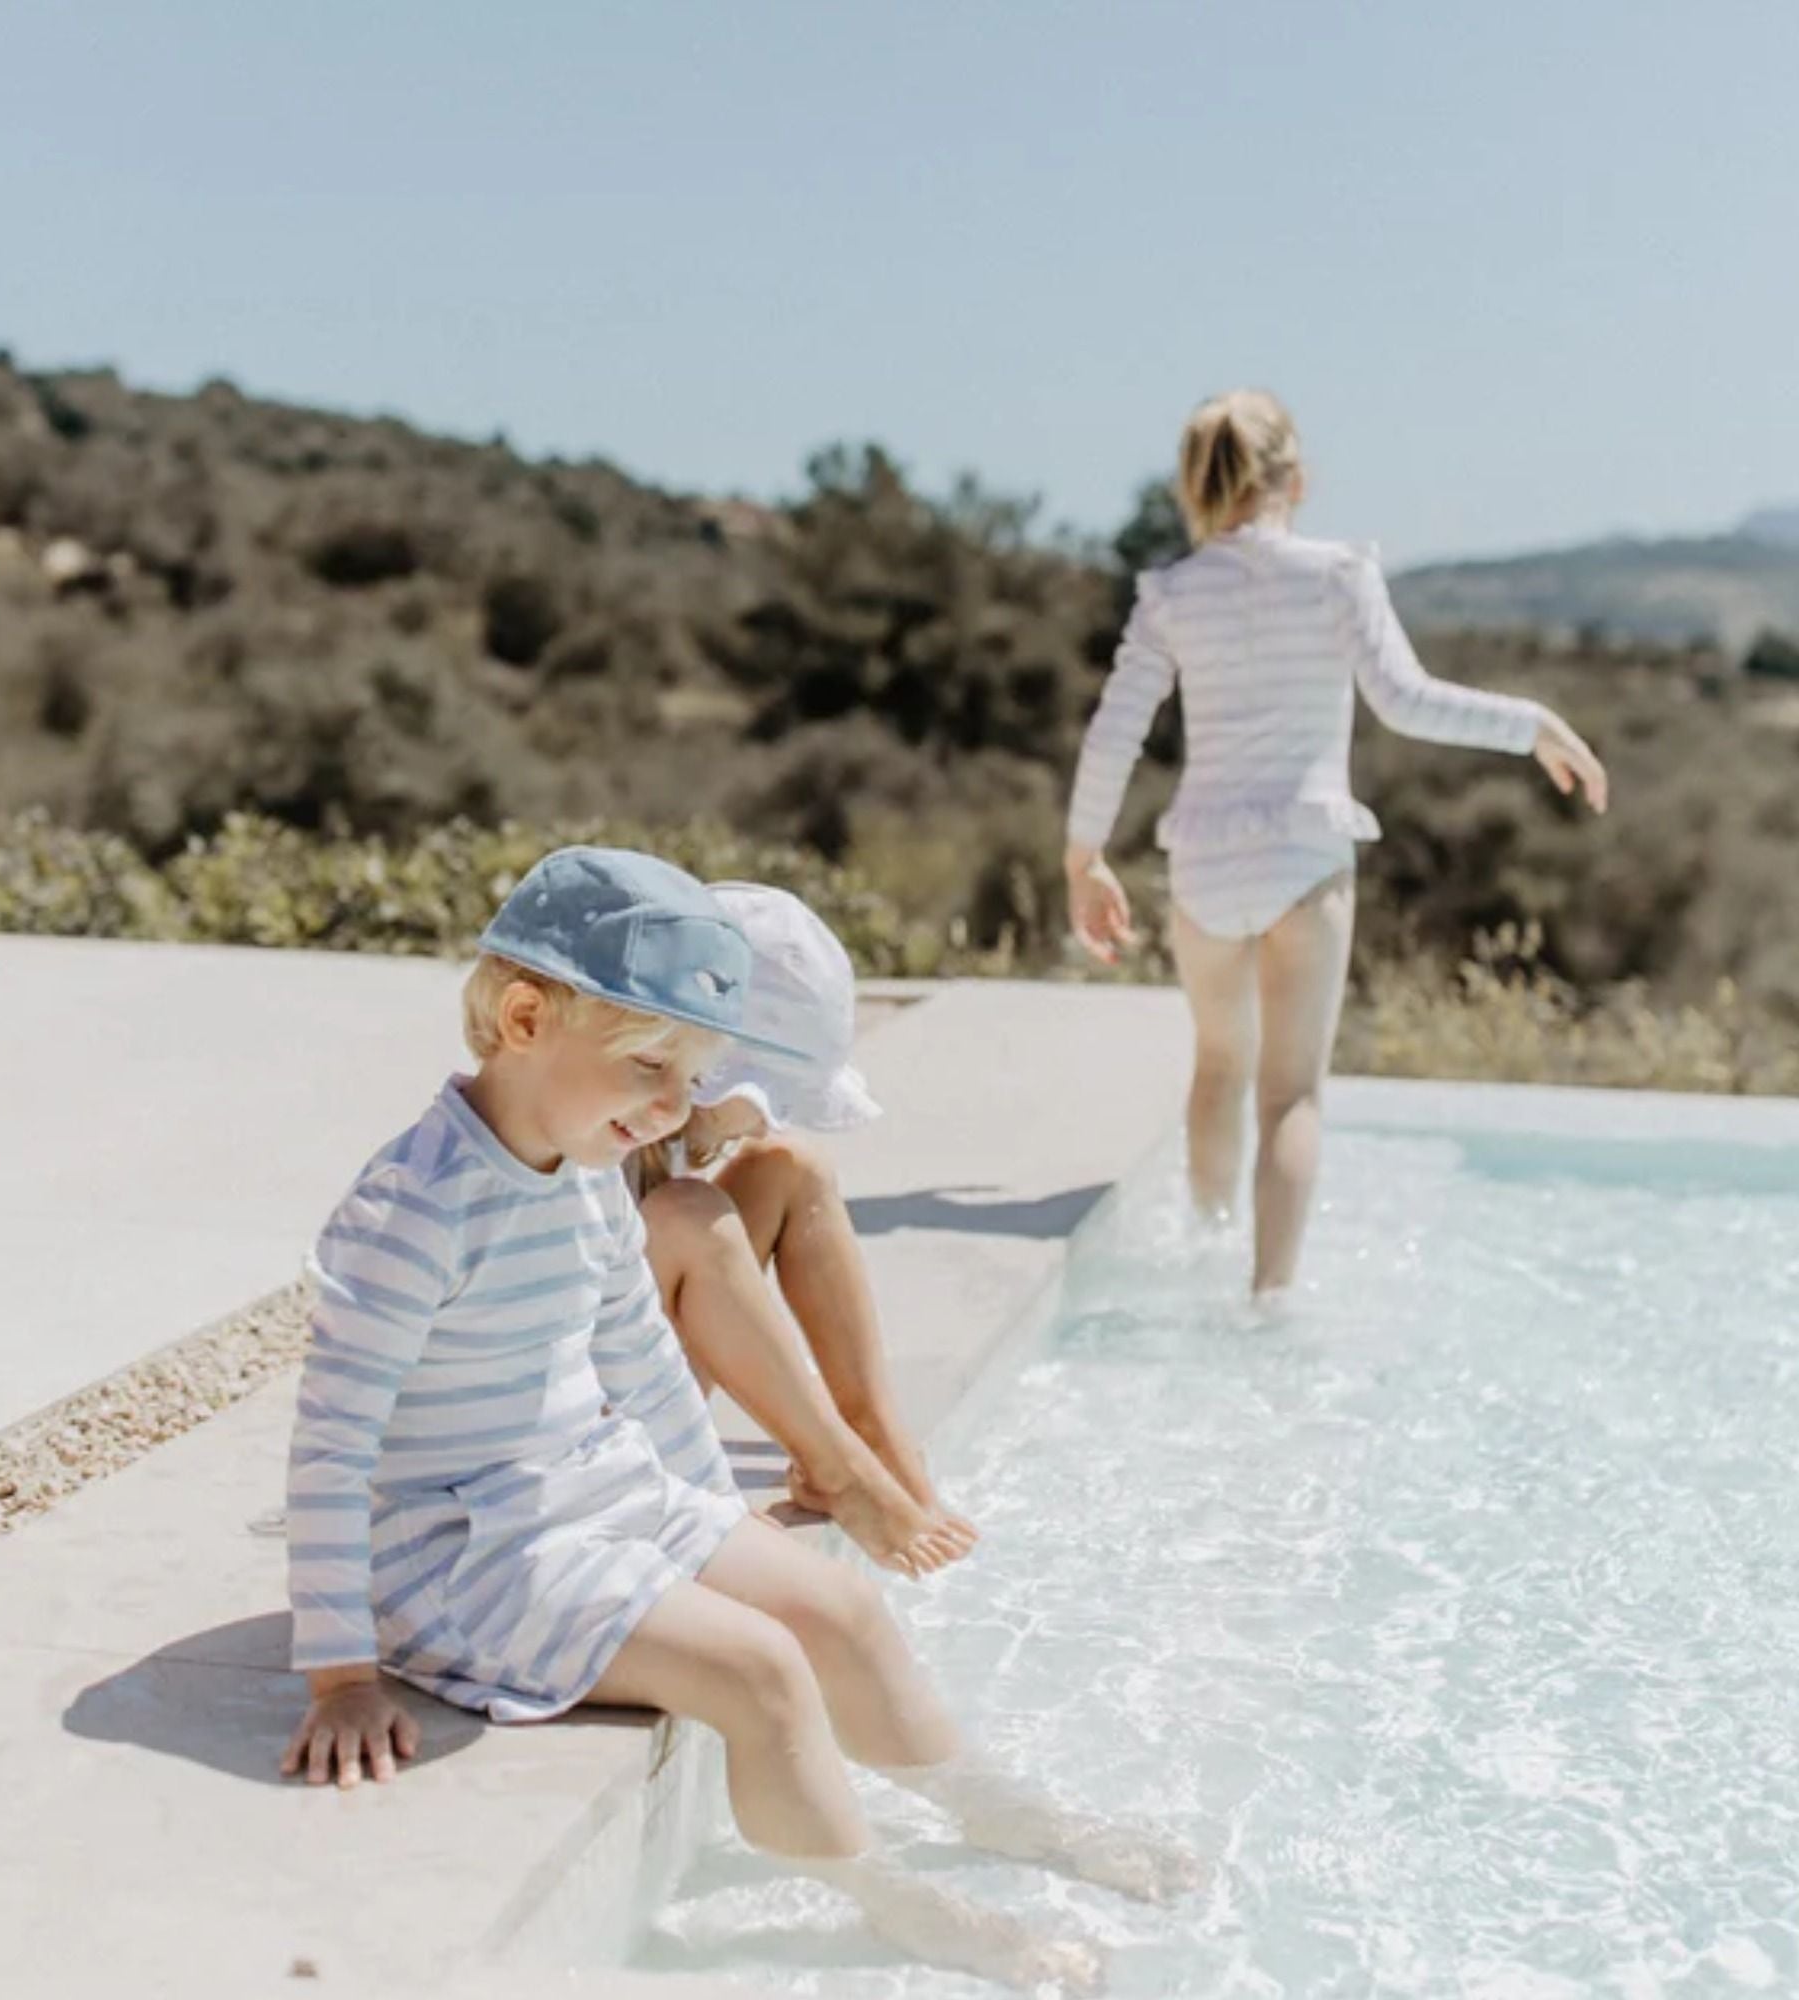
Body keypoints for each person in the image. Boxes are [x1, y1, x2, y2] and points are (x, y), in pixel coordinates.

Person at [279, 845, 1192, 1990]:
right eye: (650, 1066)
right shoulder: (411, 1211)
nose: (675, 1108)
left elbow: (641, 1359)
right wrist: (340, 1674)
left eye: (694, 1074)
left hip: (586, 1491)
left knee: (835, 1606)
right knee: (761, 1671)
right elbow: (330, 1451)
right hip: (464, 1554)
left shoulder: (578, 1172)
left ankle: (988, 1804)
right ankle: (890, 1900)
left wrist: (711, 1525)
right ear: (523, 1019)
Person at [1065, 391, 1608, 1298]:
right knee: (1291, 1096)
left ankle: (1204, 1250)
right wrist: (1534, 724)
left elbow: (1115, 731)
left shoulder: (1170, 595)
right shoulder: (1336, 575)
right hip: (1305, 860)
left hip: (1205, 865)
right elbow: (1407, 700)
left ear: (1195, 486)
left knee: (1219, 1068)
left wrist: (1083, 858)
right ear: (1298, 479)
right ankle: (1266, 1299)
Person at [632, 881, 977, 1580]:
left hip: (645, 1362)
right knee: (690, 1218)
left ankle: (872, 1428)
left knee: (791, 1165)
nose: (768, 1118)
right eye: (767, 1098)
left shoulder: (669, 1123)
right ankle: (840, 1468)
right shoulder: (601, 1121)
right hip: (608, 1413)